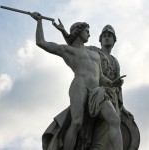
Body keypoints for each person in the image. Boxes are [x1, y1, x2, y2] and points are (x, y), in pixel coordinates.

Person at [31, 13, 124, 150]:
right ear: (79, 32)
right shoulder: (68, 50)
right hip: (79, 86)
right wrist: (39, 22)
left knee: (115, 120)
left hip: (97, 91)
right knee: (77, 123)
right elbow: (41, 42)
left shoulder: (95, 54)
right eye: (87, 31)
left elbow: (101, 77)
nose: (89, 35)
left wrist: (112, 83)